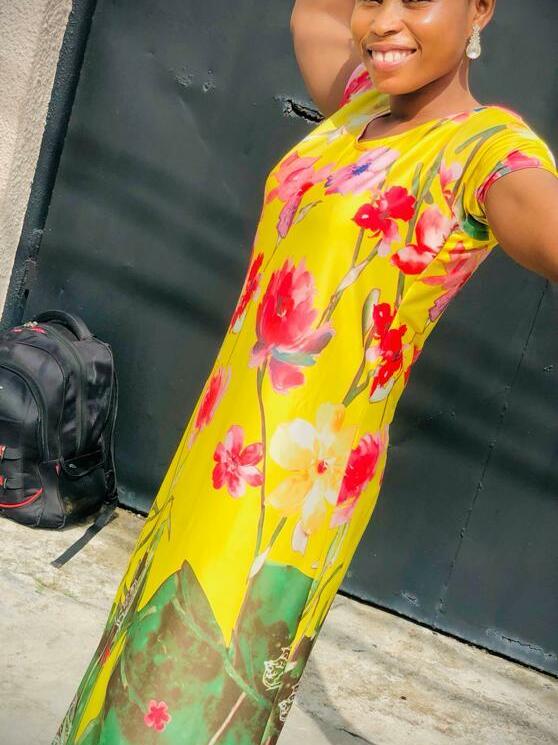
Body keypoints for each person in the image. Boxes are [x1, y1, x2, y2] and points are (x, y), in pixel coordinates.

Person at [53, 1, 558, 743]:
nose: (384, 22)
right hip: (217, 447)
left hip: (294, 487)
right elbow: (311, 15)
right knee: (136, 662)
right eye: (373, 0)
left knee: (187, 696)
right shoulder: (360, 105)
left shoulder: (485, 153)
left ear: (481, 7)